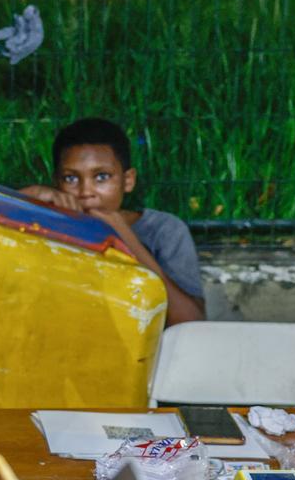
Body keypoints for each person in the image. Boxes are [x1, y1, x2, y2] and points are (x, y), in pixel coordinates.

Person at [21, 117, 206, 326]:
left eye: (101, 177)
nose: (85, 192)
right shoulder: (46, 223)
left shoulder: (162, 229)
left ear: (128, 181)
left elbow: (192, 321)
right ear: (56, 182)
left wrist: (125, 237)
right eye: (71, 178)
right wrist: (27, 198)